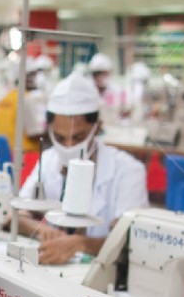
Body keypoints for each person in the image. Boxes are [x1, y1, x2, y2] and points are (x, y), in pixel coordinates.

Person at [15, 73, 148, 265]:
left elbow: (128, 242)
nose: (69, 146)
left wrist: (81, 244)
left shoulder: (128, 171)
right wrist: (44, 230)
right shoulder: (49, 160)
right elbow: (16, 216)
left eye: (78, 138)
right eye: (60, 138)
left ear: (97, 127)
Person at [0, 61, 47, 156]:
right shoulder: (26, 98)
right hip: (26, 156)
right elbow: (33, 134)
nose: (34, 79)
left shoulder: (4, 99)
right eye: (32, 76)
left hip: (5, 154)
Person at [88, 52, 126, 124]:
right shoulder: (87, 90)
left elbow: (124, 111)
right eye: (97, 73)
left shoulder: (117, 90)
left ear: (109, 73)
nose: (100, 77)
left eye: (103, 73)